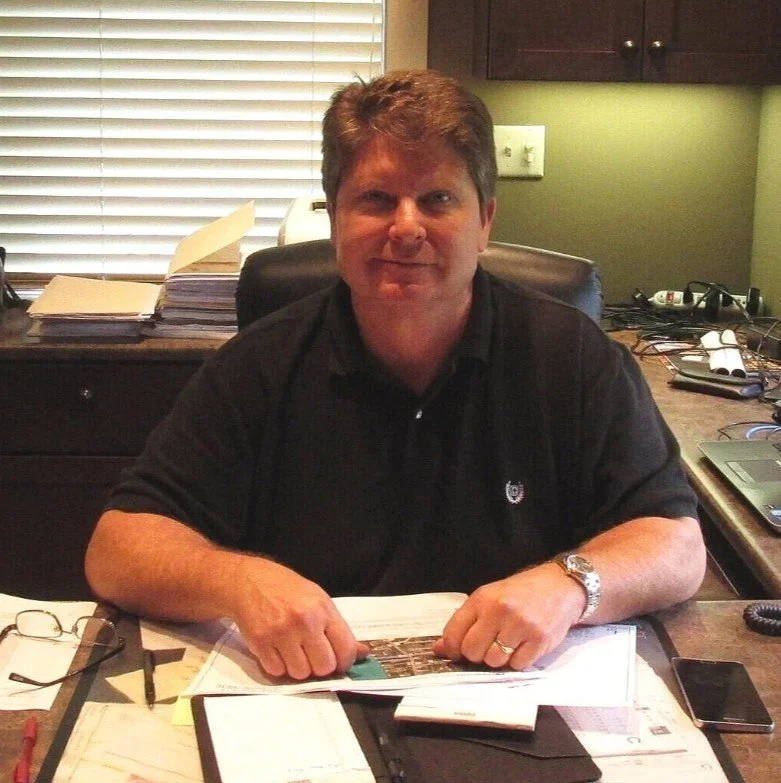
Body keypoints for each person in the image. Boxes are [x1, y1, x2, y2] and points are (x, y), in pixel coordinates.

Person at [85, 69, 706, 682]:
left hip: (513, 691)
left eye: (437, 199)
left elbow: (677, 547)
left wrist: (569, 584)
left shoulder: (573, 358)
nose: (406, 226)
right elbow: (118, 549)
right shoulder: (258, 366)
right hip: (310, 696)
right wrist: (241, 581)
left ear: (485, 221)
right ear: (335, 221)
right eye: (376, 199)